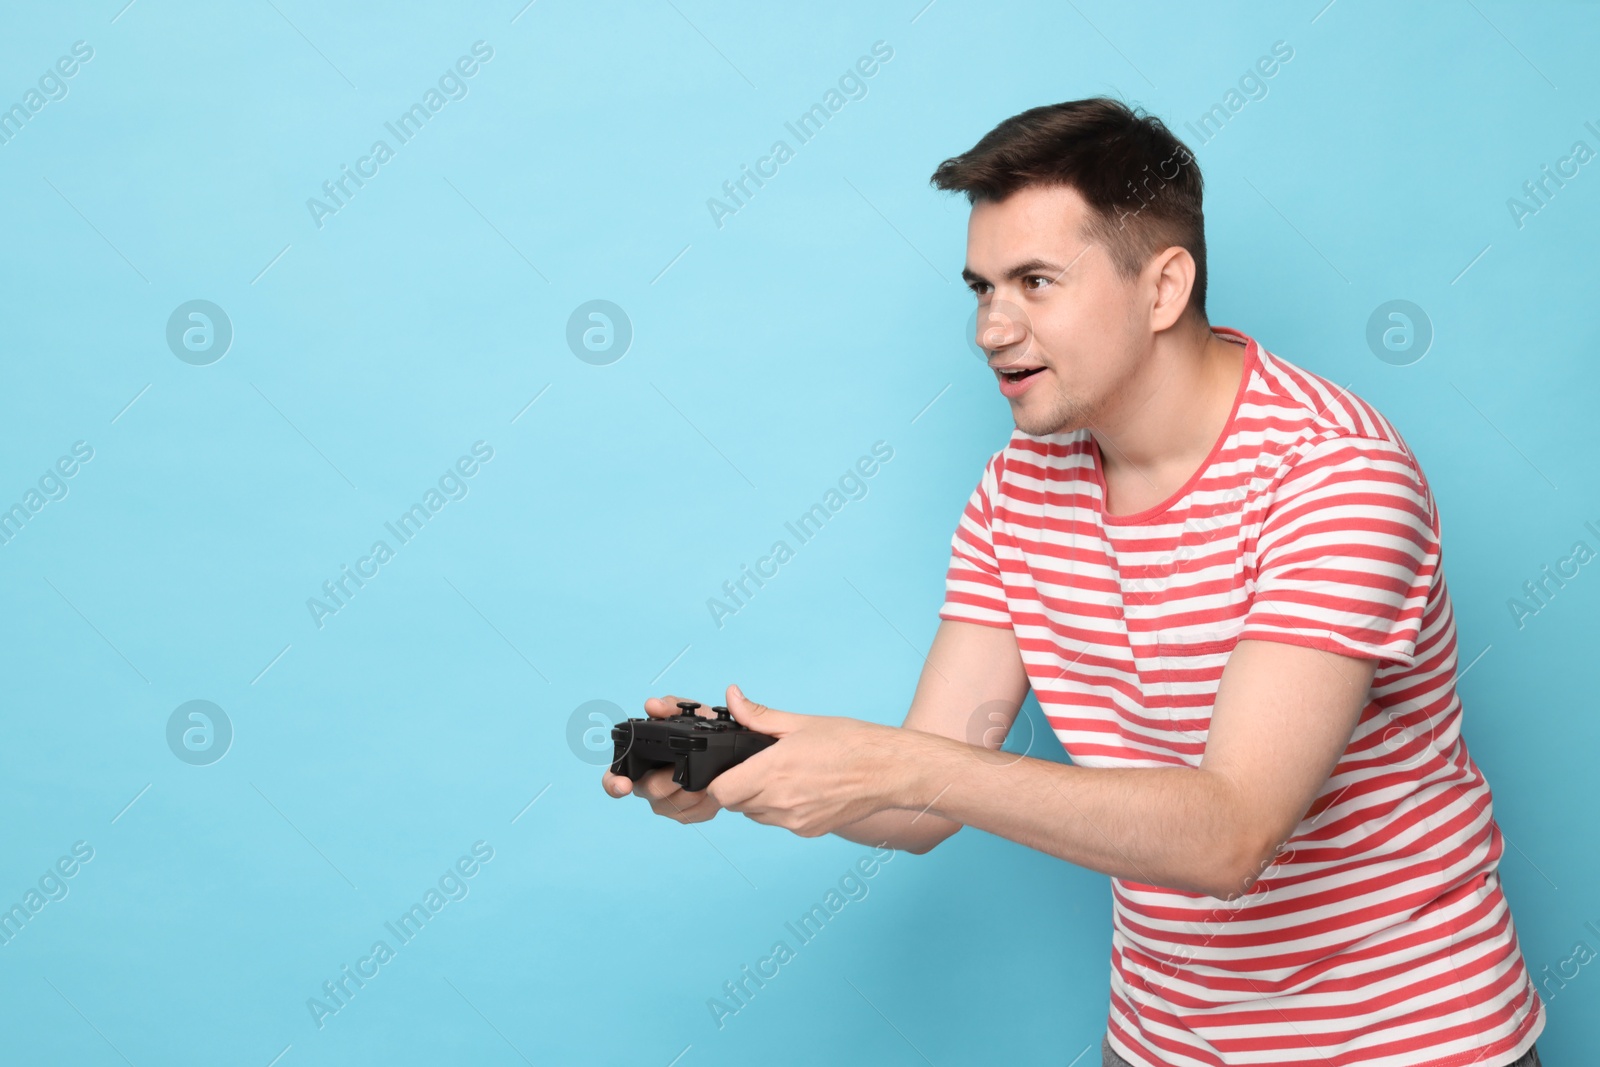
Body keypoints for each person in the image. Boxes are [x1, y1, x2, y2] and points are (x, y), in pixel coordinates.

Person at [602, 97, 1545, 1067]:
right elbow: (927, 796)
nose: (988, 328)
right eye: (980, 287)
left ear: (1162, 286)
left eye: (1035, 281)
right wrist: (757, 770)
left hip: (1412, 1043)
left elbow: (1229, 834)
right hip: (1156, 1043)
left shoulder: (1333, 477)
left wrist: (898, 763)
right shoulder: (1019, 487)